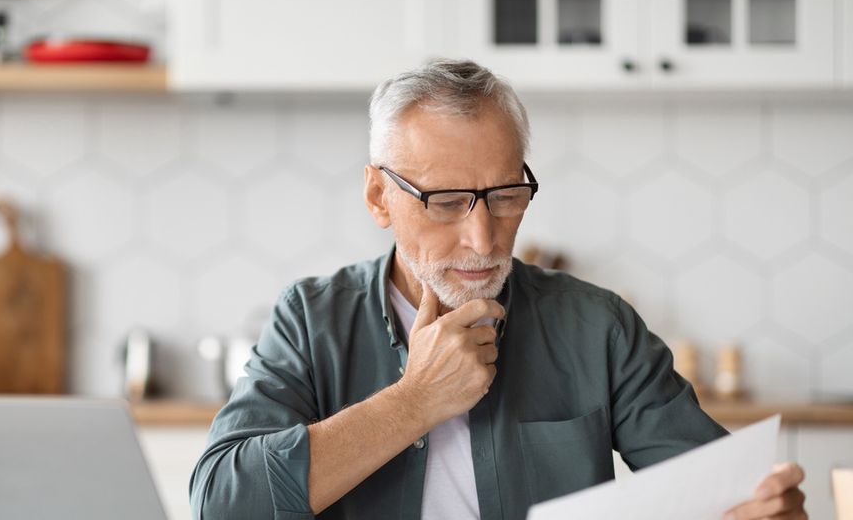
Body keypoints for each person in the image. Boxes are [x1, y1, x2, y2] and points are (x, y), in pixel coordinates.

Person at [189, 59, 807, 520]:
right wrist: (413, 404)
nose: (483, 238)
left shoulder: (597, 327)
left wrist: (763, 507)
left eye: (507, 197)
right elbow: (221, 503)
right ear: (379, 196)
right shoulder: (312, 319)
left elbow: (722, 495)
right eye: (447, 201)